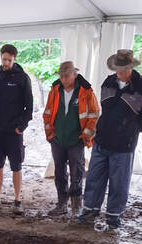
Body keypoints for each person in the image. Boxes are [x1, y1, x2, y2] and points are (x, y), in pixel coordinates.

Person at [76, 49, 142, 231]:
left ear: (131, 68)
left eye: (123, 69)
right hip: (102, 140)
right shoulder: (108, 83)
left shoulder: (141, 88)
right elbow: (105, 109)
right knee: (94, 177)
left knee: (119, 182)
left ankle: (113, 217)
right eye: (118, 68)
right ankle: (89, 211)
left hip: (124, 145)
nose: (120, 72)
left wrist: (130, 132)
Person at [42, 61, 99, 216]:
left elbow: (94, 115)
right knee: (59, 172)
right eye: (61, 76)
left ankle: (76, 206)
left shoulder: (85, 91)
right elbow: (47, 113)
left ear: (74, 74)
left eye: (66, 75)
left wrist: (85, 136)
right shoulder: (55, 90)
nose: (63, 79)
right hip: (58, 140)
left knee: (76, 173)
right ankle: (61, 204)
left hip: (76, 140)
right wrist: (51, 135)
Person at [0, 44, 33, 215]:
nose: (5, 62)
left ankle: (17, 200)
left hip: (14, 132)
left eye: (9, 60)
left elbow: (29, 106)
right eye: (3, 59)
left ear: (14, 59)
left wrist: (21, 126)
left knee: (16, 166)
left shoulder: (22, 78)